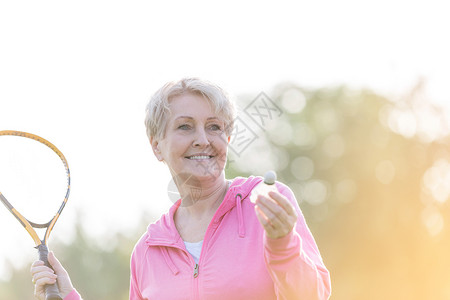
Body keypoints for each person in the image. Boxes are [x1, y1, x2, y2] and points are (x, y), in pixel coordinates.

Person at [31, 78, 331, 299]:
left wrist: (282, 245)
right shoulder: (147, 251)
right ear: (157, 146)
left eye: (214, 127)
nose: (203, 139)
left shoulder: (265, 203)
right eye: (185, 127)